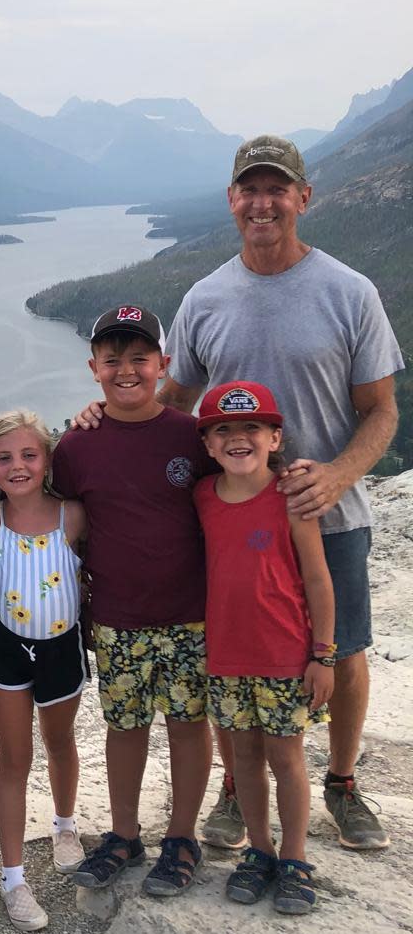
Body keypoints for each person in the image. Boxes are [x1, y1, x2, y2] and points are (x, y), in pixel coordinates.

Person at [161, 135, 402, 851]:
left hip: (325, 512)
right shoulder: (205, 297)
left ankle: (343, 783)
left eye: (277, 189)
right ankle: (238, 789)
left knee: (345, 649)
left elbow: (381, 408)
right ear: (233, 200)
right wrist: (102, 423)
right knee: (235, 647)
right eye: (248, 190)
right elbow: (175, 399)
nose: (261, 203)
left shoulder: (350, 291)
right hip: (234, 518)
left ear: (303, 197)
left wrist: (338, 474)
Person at [52, 306, 215, 896]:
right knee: (123, 727)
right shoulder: (75, 445)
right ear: (93, 368)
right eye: (112, 360)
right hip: (116, 619)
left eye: (139, 358)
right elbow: (66, 523)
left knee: (188, 725)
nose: (126, 370)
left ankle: (181, 838)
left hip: (189, 613)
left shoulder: (190, 436)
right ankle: (123, 835)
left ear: (163, 365)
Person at [194, 382, 335, 913]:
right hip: (226, 657)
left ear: (275, 437)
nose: (237, 439)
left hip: (284, 656)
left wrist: (323, 655)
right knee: (245, 759)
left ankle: (295, 858)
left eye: (251, 427)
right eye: (222, 430)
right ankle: (260, 850)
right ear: (207, 445)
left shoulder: (291, 499)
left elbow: (318, 581)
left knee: (287, 758)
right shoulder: (203, 497)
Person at [0, 411, 87, 930]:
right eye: (4, 457)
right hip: (9, 649)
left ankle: (65, 825)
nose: (17, 466)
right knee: (14, 757)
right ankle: (13, 878)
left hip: (63, 647)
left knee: (59, 742)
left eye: (29, 455)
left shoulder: (73, 516)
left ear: (47, 460)